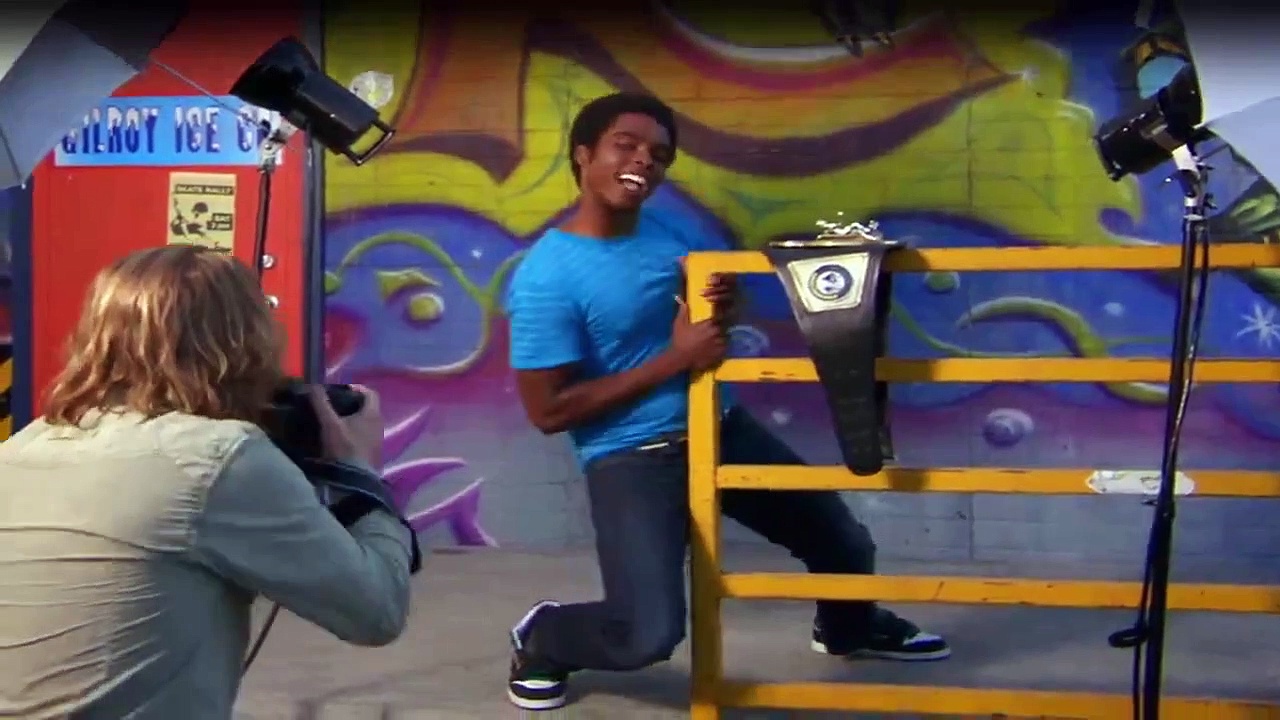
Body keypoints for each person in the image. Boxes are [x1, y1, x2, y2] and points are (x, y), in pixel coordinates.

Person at [502, 92, 951, 711]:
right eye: (625, 146)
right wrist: (677, 358)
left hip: (720, 425)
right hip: (631, 455)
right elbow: (548, 412)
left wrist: (722, 307)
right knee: (646, 635)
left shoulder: (669, 236)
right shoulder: (545, 277)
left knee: (845, 547)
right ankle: (544, 636)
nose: (644, 161)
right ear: (583, 155)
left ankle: (848, 629)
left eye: (658, 154)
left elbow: (693, 317)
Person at [0, 246, 415, 720]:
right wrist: (360, 475)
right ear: (248, 343)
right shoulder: (222, 458)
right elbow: (377, 611)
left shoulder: (21, 449)